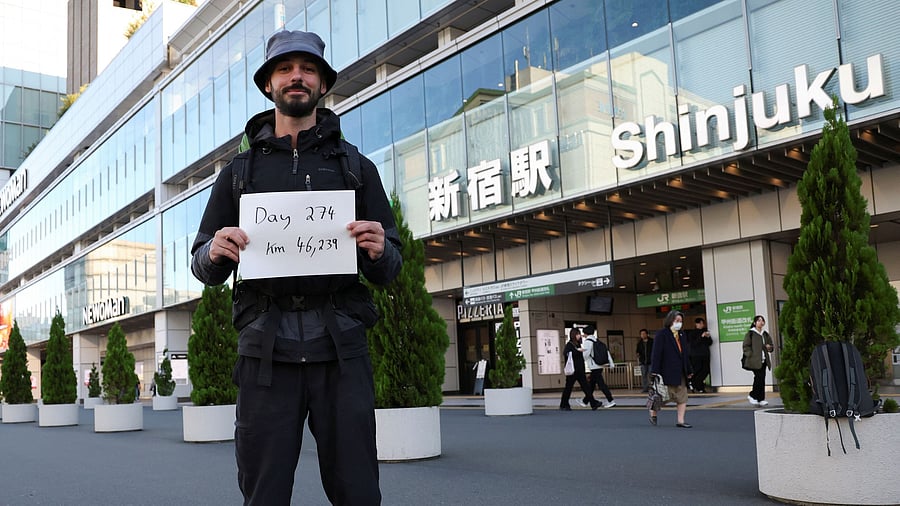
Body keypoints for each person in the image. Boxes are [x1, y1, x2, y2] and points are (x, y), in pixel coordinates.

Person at [190, 30, 402, 506]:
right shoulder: (238, 173)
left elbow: (390, 266)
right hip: (265, 353)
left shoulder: (356, 168)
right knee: (263, 494)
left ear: (322, 84)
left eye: (307, 69)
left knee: (359, 491)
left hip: (342, 351)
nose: (297, 77)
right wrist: (214, 251)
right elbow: (204, 263)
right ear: (269, 85)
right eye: (285, 69)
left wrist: (378, 249)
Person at [649, 310, 694, 428]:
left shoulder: (682, 335)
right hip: (666, 371)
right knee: (661, 396)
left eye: (681, 321)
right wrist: (654, 370)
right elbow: (656, 354)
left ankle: (681, 421)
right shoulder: (662, 334)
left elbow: (685, 354)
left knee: (682, 397)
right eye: (677, 321)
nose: (679, 323)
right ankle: (653, 414)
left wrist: (689, 370)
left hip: (680, 371)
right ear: (670, 321)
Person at [559, 327, 600, 410]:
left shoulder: (578, 344)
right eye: (577, 334)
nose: (579, 336)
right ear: (573, 335)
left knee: (586, 387)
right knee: (568, 388)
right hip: (573, 371)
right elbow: (566, 354)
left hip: (580, 370)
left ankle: (593, 403)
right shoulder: (569, 344)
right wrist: (577, 351)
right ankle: (564, 404)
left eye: (579, 334)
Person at [742, 315, 774, 407]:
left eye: (762, 320)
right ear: (755, 322)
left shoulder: (765, 334)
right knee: (758, 378)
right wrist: (750, 355)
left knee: (761, 379)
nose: (761, 322)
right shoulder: (751, 333)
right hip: (754, 360)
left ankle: (760, 399)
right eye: (759, 320)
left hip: (763, 360)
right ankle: (753, 395)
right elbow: (746, 346)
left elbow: (770, 345)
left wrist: (769, 347)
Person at [582, 325, 616, 408]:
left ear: (586, 333)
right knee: (592, 385)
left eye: (584, 334)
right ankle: (585, 401)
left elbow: (585, 355)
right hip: (600, 365)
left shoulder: (587, 342)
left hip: (594, 366)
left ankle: (611, 400)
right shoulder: (598, 341)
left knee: (601, 385)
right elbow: (607, 353)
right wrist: (611, 363)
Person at [686, 317, 713, 393]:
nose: (701, 325)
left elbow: (710, 342)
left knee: (706, 370)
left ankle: (695, 383)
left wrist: (708, 337)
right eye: (700, 323)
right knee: (697, 369)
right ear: (696, 324)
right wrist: (701, 336)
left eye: (702, 323)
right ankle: (698, 385)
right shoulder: (692, 333)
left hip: (705, 354)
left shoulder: (705, 331)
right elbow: (694, 344)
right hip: (696, 355)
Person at [635, 328, 653, 392]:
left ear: (647, 334)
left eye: (643, 334)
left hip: (651, 361)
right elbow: (637, 351)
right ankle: (645, 388)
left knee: (651, 374)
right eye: (641, 334)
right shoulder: (639, 343)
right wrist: (638, 356)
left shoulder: (652, 341)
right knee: (644, 375)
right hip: (643, 361)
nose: (642, 335)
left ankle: (652, 387)